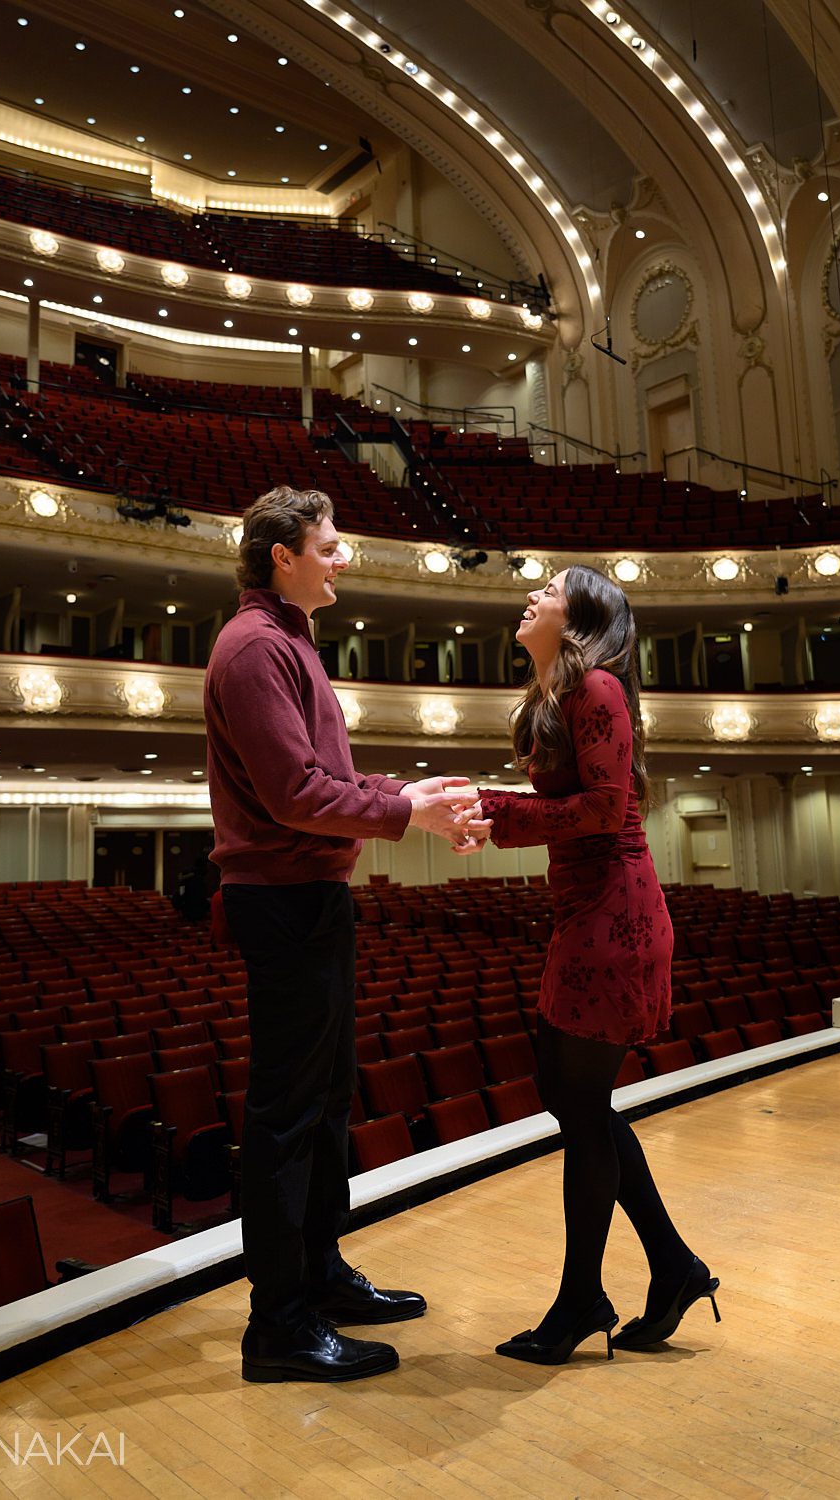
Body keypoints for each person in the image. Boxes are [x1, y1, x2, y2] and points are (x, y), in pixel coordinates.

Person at [204, 485, 487, 1384]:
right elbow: (293, 794)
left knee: (325, 1102)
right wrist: (405, 813)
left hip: (310, 896)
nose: (342, 558)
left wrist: (407, 797)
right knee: (288, 1115)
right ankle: (278, 1324)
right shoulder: (255, 647)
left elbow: (322, 778)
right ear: (281, 556)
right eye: (328, 546)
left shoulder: (289, 641)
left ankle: (318, 1274)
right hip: (282, 898)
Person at [474, 564, 720, 1364]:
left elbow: (604, 810)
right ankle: (673, 1267)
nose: (530, 595)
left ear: (579, 618)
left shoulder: (598, 690)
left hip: (613, 916)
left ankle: (582, 1299)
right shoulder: (559, 695)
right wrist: (494, 811)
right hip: (583, 912)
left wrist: (496, 813)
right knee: (573, 1102)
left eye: (547, 591)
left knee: (580, 1112)